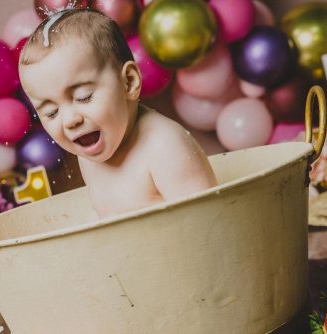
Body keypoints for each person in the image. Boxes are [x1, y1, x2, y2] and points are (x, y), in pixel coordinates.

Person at [19, 9, 216, 218]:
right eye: (51, 112)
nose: (69, 120)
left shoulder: (164, 146)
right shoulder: (89, 155)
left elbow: (209, 224)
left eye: (84, 96)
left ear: (129, 82)